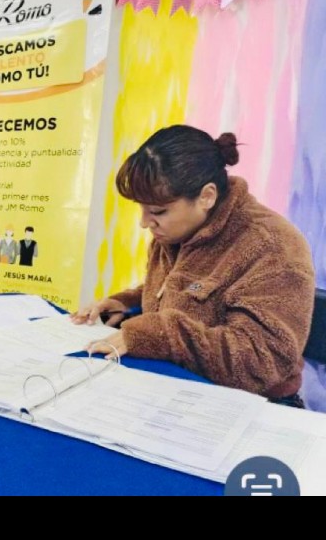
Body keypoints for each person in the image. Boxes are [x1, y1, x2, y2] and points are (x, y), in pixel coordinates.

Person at [72, 125, 315, 404]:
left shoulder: (272, 245)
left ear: (207, 196)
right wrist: (127, 304)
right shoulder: (177, 230)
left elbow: (263, 361)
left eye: (158, 211)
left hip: (251, 405)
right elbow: (184, 293)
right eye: (142, 208)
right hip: (174, 387)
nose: (144, 222)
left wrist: (159, 335)